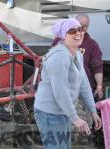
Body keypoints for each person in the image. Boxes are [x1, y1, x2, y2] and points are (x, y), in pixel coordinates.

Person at [34, 18, 102, 149]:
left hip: (62, 111)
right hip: (49, 113)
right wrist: (75, 118)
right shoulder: (59, 57)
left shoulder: (77, 54)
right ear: (63, 36)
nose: (78, 33)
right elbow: (61, 92)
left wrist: (93, 110)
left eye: (80, 29)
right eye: (72, 31)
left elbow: (83, 84)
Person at [52, 14, 103, 100]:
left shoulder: (92, 44)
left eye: (85, 26)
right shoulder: (59, 40)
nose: (81, 28)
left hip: (82, 90)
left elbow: (97, 67)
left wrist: (99, 87)